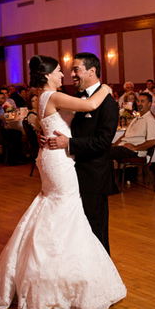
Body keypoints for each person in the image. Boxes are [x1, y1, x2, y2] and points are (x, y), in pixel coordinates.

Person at [0, 55, 125, 309]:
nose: (67, 74)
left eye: (74, 70)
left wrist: (50, 134)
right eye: (62, 70)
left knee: (68, 217)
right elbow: (89, 104)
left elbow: (94, 134)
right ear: (48, 75)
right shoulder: (59, 96)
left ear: (91, 71)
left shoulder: (53, 97)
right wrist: (105, 88)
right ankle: (69, 282)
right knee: (66, 214)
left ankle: (80, 277)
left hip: (70, 163)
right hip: (61, 163)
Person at [44, 52, 120, 254]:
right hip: (68, 174)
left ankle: (103, 275)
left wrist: (69, 143)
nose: (72, 75)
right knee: (76, 229)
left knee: (96, 228)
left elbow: (103, 142)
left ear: (92, 71)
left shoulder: (108, 103)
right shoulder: (75, 98)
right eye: (70, 70)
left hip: (93, 175)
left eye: (76, 69)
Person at [111, 92, 155, 159]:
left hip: (135, 151)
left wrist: (135, 147)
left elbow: (153, 141)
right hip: (124, 146)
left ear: (149, 104)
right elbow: (124, 135)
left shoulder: (149, 119)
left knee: (104, 152)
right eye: (138, 101)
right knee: (102, 149)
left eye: (142, 101)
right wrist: (114, 145)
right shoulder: (136, 118)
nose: (139, 104)